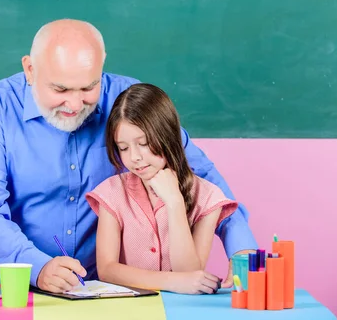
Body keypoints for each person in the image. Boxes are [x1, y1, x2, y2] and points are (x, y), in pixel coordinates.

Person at [0, 18, 257, 294]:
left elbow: (197, 172)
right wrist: (38, 268)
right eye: (60, 89)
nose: (75, 104)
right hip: (8, 288)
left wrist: (240, 244)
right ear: (30, 70)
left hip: (98, 292)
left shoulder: (127, 99)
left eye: (89, 87)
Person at [85, 83, 238, 294]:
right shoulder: (111, 193)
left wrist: (174, 203)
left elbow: (189, 272)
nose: (135, 157)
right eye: (123, 148)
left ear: (167, 135)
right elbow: (107, 270)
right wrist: (170, 282)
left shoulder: (208, 197)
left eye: (144, 143)